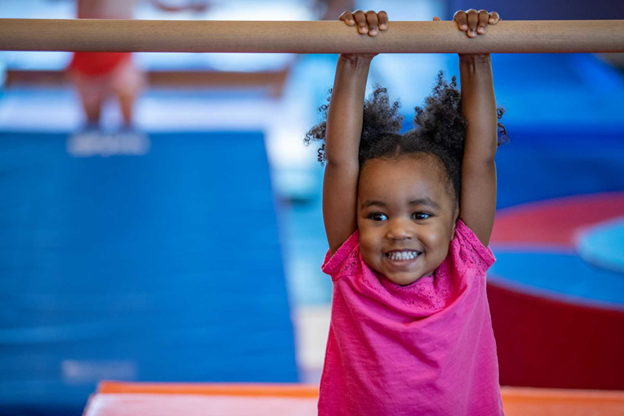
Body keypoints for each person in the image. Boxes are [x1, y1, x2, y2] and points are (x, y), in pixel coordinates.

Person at [304, 8, 507, 415]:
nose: (398, 230)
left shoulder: (463, 265)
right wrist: (354, 59)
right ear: (358, 220)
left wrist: (474, 57)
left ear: (455, 220)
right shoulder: (354, 267)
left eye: (420, 215)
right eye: (377, 216)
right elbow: (341, 162)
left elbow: (481, 158)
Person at [68, 0, 208, 130]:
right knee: (92, 124)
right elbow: (84, 12)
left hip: (119, 55)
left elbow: (160, 6)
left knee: (126, 118)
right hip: (89, 54)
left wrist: (189, 7)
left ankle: (127, 153)